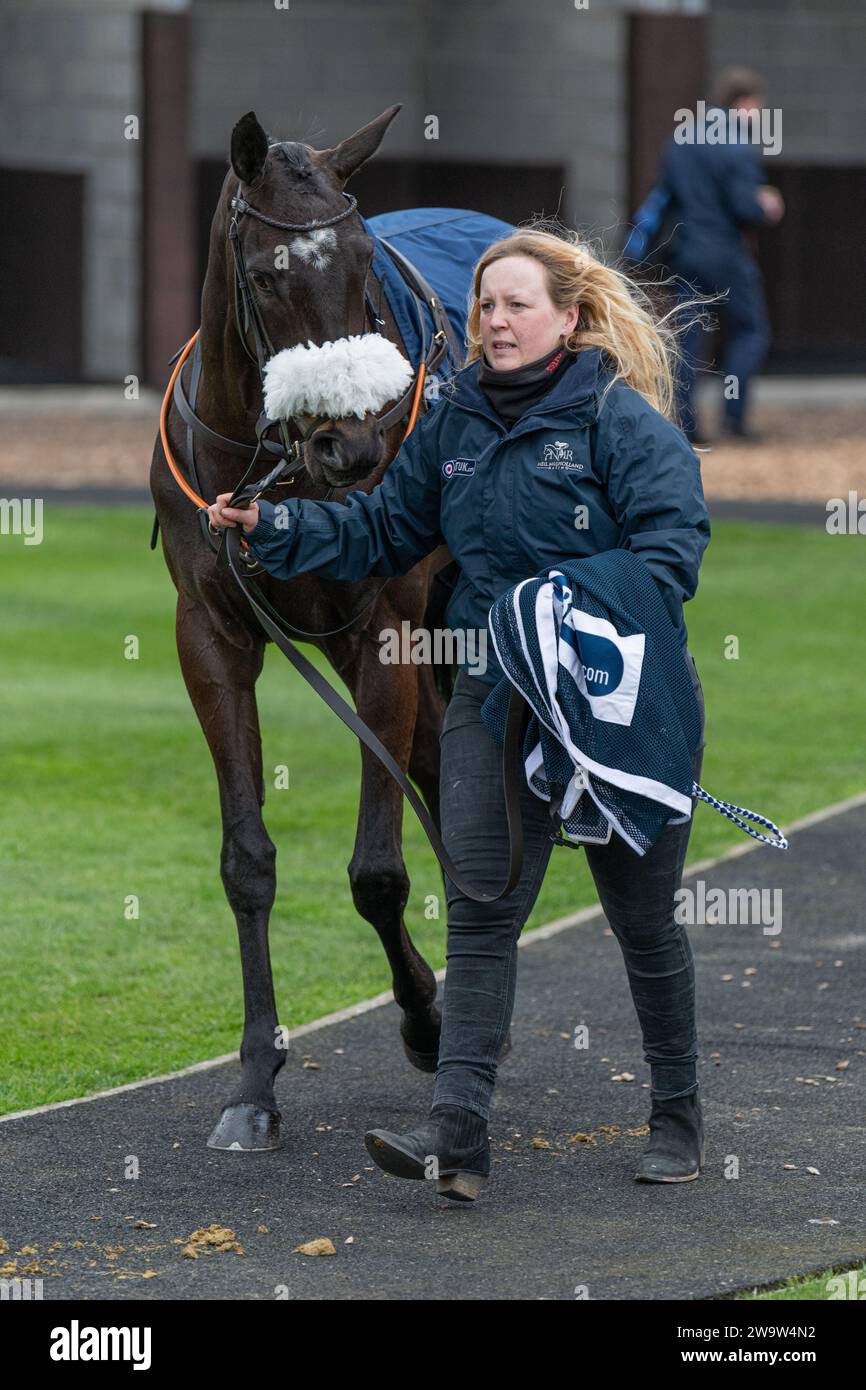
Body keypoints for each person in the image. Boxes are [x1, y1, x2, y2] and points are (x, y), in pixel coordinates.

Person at [208, 224, 711, 1202]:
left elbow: (670, 549)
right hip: (492, 697)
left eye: (515, 303)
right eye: (483, 304)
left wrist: (561, 611)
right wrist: (276, 525)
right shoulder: (451, 422)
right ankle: (458, 1129)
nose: (493, 318)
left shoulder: (617, 421)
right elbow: (381, 528)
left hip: (617, 698)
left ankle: (678, 1112)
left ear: (567, 318)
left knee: (642, 920)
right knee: (479, 912)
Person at [652, 67, 785, 443]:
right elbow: (745, 207)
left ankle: (686, 425)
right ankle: (734, 418)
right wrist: (766, 206)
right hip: (724, 252)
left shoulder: (681, 139)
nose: (757, 116)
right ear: (744, 103)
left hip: (685, 251)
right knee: (750, 330)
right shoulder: (737, 145)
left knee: (690, 337)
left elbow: (665, 196)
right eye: (756, 107)